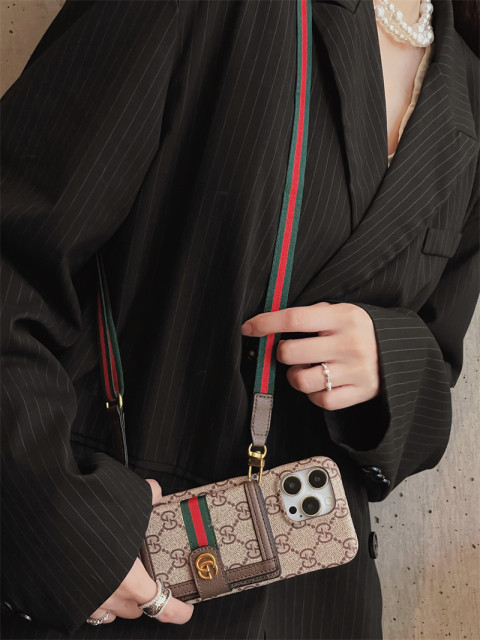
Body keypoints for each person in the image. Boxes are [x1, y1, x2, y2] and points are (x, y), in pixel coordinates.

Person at [1, 0, 478, 638]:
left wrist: (388, 359)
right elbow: (14, 254)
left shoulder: (467, 89)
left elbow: (437, 373)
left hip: (316, 603)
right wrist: (58, 517)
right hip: (126, 570)